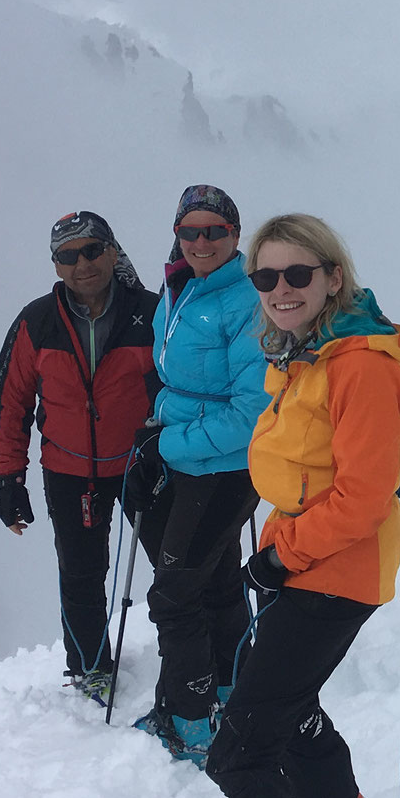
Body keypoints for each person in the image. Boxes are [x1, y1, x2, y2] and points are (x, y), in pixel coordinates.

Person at [209, 212, 400, 798]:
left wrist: (279, 557)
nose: (281, 290)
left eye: (298, 274)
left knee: (241, 746)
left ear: (334, 275)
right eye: (266, 277)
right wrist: (276, 551)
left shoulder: (359, 365)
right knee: (284, 706)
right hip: (310, 566)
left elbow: (361, 497)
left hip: (329, 574)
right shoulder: (306, 354)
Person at [0, 211, 158, 704]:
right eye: (67, 256)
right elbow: (11, 403)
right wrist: (8, 481)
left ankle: (189, 656)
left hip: (144, 464)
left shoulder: (151, 312)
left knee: (175, 566)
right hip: (69, 470)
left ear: (112, 251)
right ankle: (89, 669)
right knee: (81, 574)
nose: (81, 264)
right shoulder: (36, 322)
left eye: (92, 250)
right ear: (56, 265)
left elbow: (179, 388)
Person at [127, 185, 271, 766]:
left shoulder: (247, 301)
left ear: (237, 236)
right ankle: (232, 689)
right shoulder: (180, 288)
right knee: (213, 581)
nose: (202, 241)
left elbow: (250, 413)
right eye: (191, 231)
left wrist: (167, 445)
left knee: (175, 593)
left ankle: (191, 722)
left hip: (225, 467)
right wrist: (157, 429)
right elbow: (175, 377)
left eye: (216, 231)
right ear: (177, 235)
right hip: (187, 453)